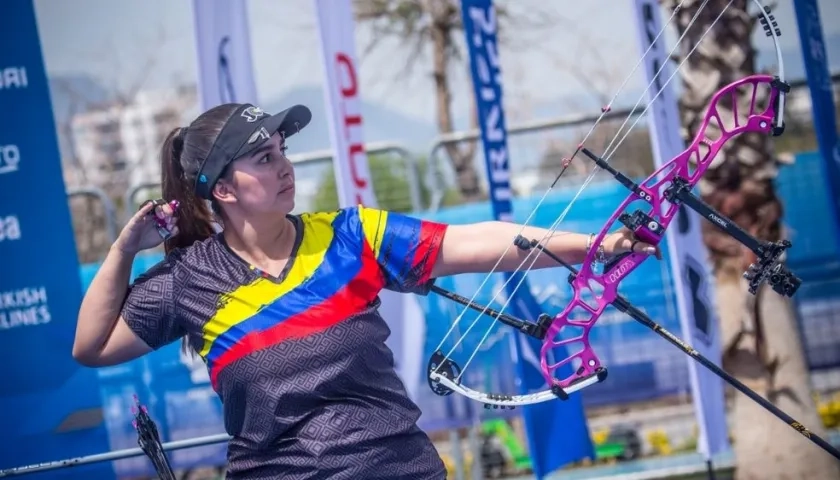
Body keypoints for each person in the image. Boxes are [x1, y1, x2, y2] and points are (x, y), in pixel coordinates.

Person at [72, 102, 660, 479]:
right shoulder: (189, 280)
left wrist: (603, 245)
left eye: (283, 153)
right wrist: (124, 247)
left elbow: (479, 241)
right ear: (222, 189)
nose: (285, 168)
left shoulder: (350, 234)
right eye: (263, 158)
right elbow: (92, 346)